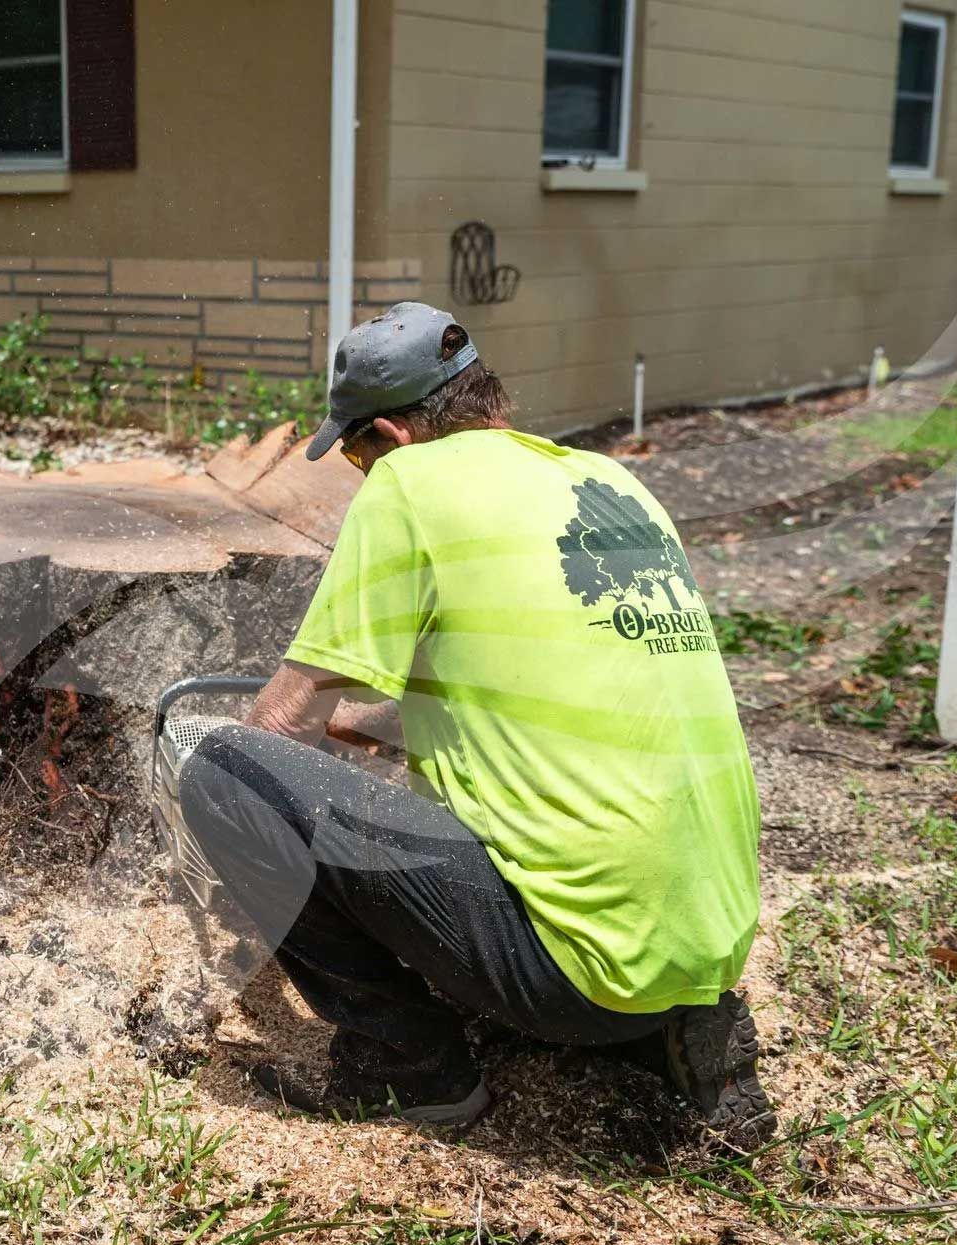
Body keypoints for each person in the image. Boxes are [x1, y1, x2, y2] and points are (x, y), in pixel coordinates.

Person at [177, 302, 772, 1143]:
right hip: (700, 954)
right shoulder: (610, 484)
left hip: (570, 980)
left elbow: (276, 735)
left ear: (391, 434)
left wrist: (233, 826)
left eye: (354, 449)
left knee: (223, 768)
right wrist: (362, 733)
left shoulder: (410, 488)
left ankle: (406, 1066)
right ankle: (660, 1035)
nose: (357, 469)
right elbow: (518, 695)